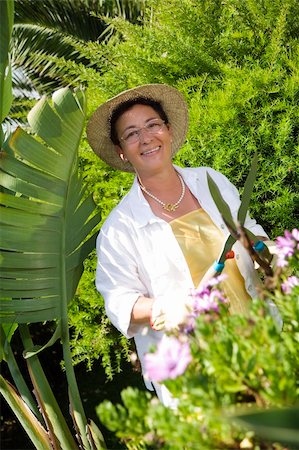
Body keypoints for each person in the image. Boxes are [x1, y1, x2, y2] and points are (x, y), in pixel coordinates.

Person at [86, 84, 270, 407]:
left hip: (261, 338)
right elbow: (120, 302)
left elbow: (251, 233)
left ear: (168, 130)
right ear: (121, 151)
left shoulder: (209, 181)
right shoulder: (119, 229)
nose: (146, 139)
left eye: (153, 125)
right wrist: (164, 309)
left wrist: (270, 256)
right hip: (195, 373)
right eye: (131, 134)